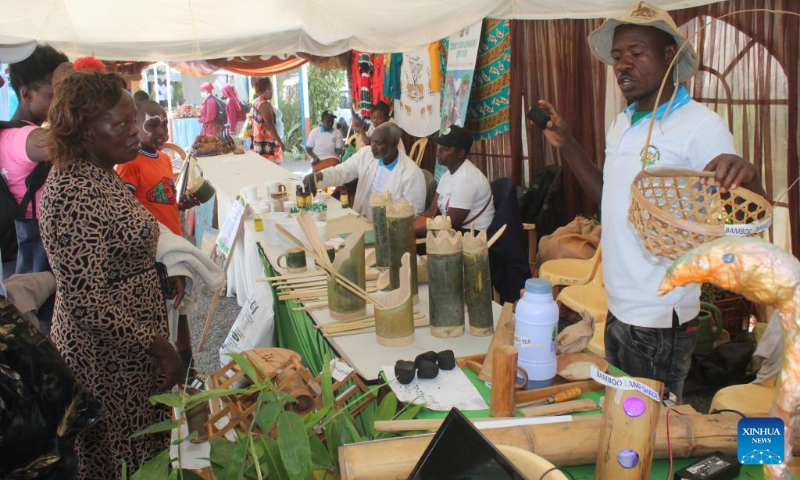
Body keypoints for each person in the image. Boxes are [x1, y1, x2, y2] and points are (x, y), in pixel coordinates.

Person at [538, 1, 763, 401]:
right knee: (624, 419)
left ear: (669, 56)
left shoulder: (700, 126)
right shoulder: (622, 122)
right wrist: (568, 143)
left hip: (661, 316)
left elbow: (742, 214)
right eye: (617, 57)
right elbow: (610, 196)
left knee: (651, 428)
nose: (623, 65)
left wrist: (749, 173)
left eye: (637, 54)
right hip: (618, 306)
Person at [40, 70, 183, 478]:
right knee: (124, 461)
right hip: (108, 363)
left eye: (132, 121)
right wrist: (157, 345)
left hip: (131, 355)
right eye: (122, 124)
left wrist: (156, 270)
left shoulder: (101, 173)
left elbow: (115, 249)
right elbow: (87, 302)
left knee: (146, 454)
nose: (135, 132)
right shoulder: (71, 192)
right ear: (83, 130)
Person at [115, 99, 201, 381]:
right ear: (136, 127)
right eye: (152, 124)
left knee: (182, 309)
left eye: (164, 123)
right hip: (153, 252)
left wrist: (181, 205)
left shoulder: (163, 158)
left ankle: (188, 370)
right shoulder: (129, 165)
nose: (161, 130)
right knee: (160, 312)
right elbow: (125, 208)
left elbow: (163, 200)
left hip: (172, 246)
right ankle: (163, 370)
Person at [304, 122, 426, 220]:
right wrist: (317, 177)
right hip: (360, 219)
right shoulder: (366, 154)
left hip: (388, 230)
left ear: (394, 144)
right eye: (372, 141)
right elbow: (342, 171)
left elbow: (413, 215)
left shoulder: (412, 173)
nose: (373, 146)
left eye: (378, 143)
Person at [415, 125, 494, 236]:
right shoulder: (447, 175)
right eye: (440, 146)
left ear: (460, 153)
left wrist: (411, 232)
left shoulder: (466, 178)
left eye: (446, 148)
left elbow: (450, 225)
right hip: (452, 230)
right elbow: (431, 211)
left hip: (472, 236)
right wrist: (410, 225)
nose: (439, 151)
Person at [251, 77, 284, 163]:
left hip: (259, 142)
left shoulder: (256, 101)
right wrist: (280, 142)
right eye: (268, 91)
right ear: (260, 92)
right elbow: (270, 126)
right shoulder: (265, 105)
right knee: (271, 170)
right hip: (267, 145)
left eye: (271, 90)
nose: (271, 93)